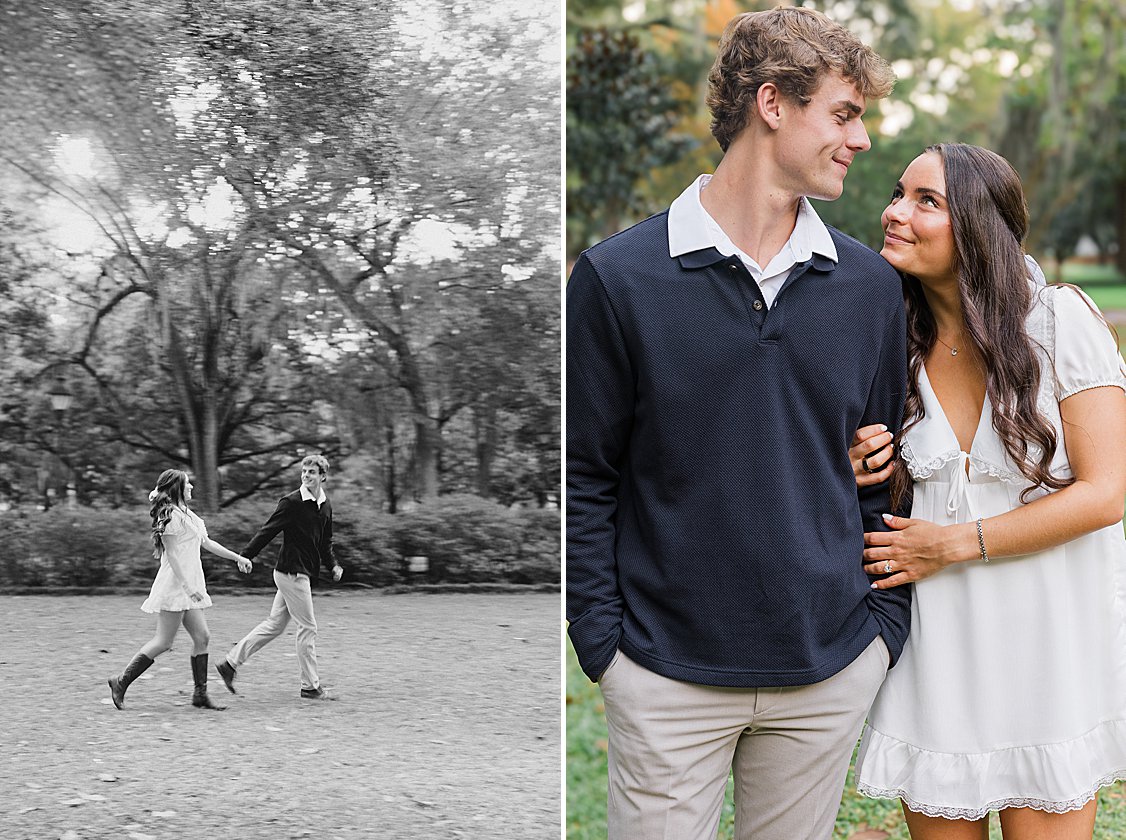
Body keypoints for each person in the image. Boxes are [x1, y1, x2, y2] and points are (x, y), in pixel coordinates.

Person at [566, 8, 913, 838]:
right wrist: (605, 647)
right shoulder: (618, 279)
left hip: (828, 669)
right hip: (663, 676)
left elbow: (881, 467)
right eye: (843, 113)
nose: (861, 139)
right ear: (772, 105)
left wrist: (878, 638)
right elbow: (584, 475)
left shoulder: (869, 288)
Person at [847, 143, 1126, 838]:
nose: (893, 213)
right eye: (897, 193)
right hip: (937, 660)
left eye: (925, 201)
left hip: (1047, 658)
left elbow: (1107, 492)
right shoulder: (891, 346)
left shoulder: (1059, 322)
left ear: (977, 225)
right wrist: (853, 465)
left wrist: (954, 544)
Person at [108, 469, 252, 711]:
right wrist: (187, 587)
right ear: (177, 488)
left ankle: (200, 695)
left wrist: (237, 557)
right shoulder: (170, 517)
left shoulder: (189, 515)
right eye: (187, 484)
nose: (191, 488)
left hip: (190, 585)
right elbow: (172, 555)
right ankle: (120, 682)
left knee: (202, 638)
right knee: (164, 641)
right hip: (175, 585)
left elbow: (207, 543)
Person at [214, 454, 344, 701]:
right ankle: (310, 686)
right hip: (292, 573)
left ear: (323, 477)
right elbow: (268, 530)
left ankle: (229, 664)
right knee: (308, 627)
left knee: (275, 625)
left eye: (312, 472)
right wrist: (245, 556)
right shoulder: (291, 502)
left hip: (298, 573)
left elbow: (325, 542)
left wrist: (334, 565)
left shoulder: (325, 506)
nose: (306, 476)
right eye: (304, 472)